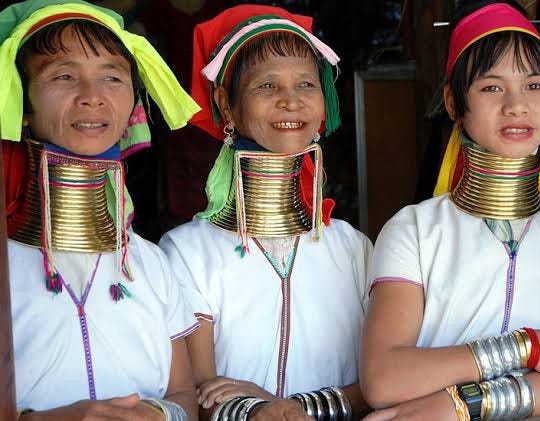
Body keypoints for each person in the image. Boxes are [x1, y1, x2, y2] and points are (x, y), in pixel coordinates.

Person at [359, 1, 540, 419]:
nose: (517, 105)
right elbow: (385, 379)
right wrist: (534, 346)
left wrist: (456, 405)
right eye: (492, 87)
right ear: (454, 102)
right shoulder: (413, 231)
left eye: (534, 86)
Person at [159, 5, 371, 420]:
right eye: (267, 85)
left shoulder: (352, 247)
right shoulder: (187, 251)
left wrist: (291, 407)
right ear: (227, 104)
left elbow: (381, 381)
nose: (290, 101)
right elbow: (198, 391)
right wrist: (259, 410)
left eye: (306, 84)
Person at [0, 1, 202, 419]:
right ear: (20, 106)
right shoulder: (7, 261)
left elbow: (184, 393)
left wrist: (158, 414)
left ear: (133, 104)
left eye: (112, 77)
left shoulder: (150, 262)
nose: (92, 96)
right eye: (64, 75)